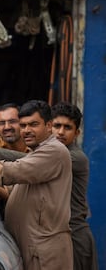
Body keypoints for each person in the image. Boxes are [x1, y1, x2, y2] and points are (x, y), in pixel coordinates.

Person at [0, 99, 73, 270]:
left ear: (49, 125)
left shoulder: (54, 151)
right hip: (30, 247)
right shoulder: (35, 151)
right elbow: (12, 192)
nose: (26, 131)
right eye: (23, 126)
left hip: (43, 252)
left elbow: (12, 171)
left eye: (33, 124)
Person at [51, 102, 99, 270]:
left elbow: (29, 164)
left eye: (67, 127)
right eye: (57, 126)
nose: (61, 132)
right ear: (50, 127)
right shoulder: (49, 152)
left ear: (77, 133)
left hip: (75, 239)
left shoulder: (75, 157)